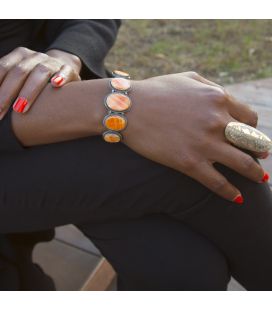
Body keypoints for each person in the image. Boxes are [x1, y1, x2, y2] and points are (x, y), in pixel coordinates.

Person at [0, 21, 272, 291]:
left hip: (61, 111)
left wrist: (66, 54)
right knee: (204, 160)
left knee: (183, 268)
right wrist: (119, 102)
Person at [0, 19, 121, 290]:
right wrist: (126, 106)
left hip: (56, 115)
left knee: (174, 252)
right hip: (50, 123)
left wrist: (67, 53)